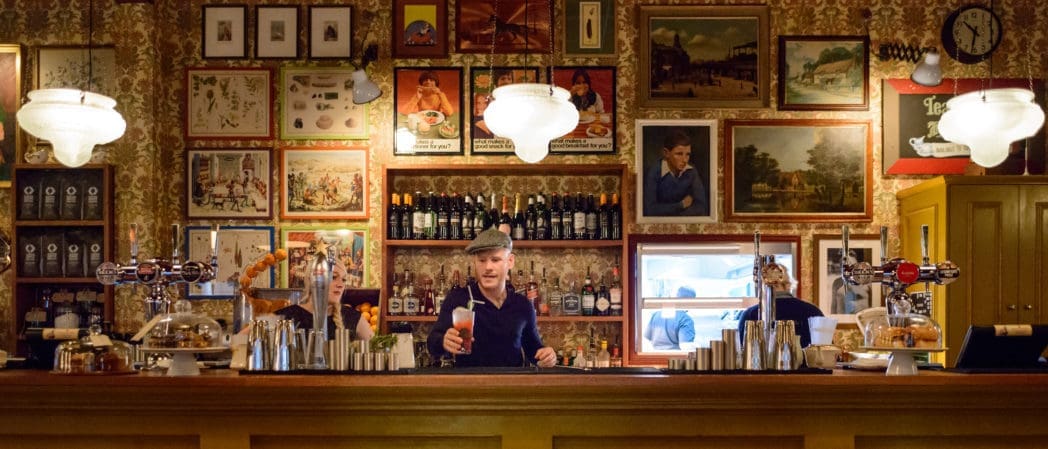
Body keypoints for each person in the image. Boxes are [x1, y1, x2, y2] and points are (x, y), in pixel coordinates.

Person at [427, 228, 557, 367]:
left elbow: (534, 350)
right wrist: (443, 341)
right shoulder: (458, 299)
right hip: (469, 385)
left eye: (495, 260)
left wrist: (546, 355)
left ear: (510, 261)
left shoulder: (523, 304)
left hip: (512, 386)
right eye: (482, 260)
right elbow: (432, 344)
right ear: (474, 262)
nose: (488, 267)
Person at [274, 253, 374, 340]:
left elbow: (376, 350)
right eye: (334, 277)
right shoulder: (285, 317)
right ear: (312, 280)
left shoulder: (353, 318)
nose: (341, 284)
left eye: (343, 280)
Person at [737, 266, 824, 348]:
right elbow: (826, 351)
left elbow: (740, 353)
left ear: (762, 286)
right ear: (788, 285)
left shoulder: (750, 315)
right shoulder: (813, 312)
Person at [643, 129, 708, 217]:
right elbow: (650, 210)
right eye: (679, 154)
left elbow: (701, 207)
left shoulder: (691, 171)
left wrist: (672, 214)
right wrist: (681, 205)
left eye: (687, 154)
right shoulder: (654, 172)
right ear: (666, 153)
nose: (685, 160)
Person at [643, 286, 696, 350]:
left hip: (656, 357)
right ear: (689, 301)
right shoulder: (685, 319)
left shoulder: (656, 315)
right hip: (674, 359)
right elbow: (686, 347)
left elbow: (646, 340)